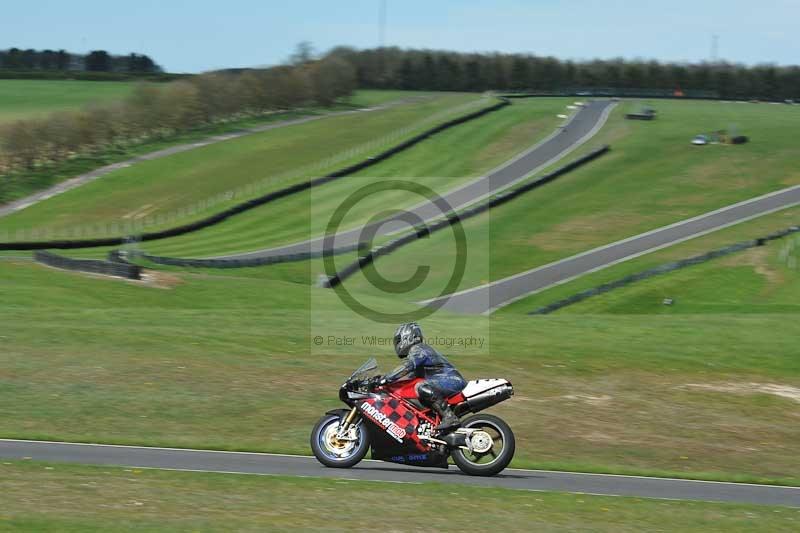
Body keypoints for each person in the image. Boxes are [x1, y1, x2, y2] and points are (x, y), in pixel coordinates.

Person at [374, 322, 466, 433]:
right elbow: (409, 378)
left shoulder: (419, 349)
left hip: (452, 380)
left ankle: (450, 417)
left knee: (421, 386)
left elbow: (406, 367)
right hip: (444, 382)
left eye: (399, 340)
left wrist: (385, 379)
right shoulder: (416, 353)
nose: (397, 344)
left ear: (408, 336)